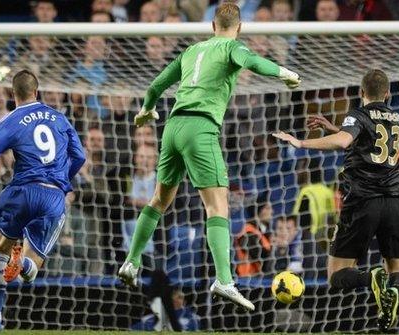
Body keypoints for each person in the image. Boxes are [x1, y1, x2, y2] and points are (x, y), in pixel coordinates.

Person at [118, 2, 300, 312]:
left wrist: (146, 111)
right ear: (238, 28)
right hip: (200, 129)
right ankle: (224, 280)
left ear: (211, 26)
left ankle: (132, 261)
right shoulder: (232, 47)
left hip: (172, 128)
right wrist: (285, 73)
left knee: (159, 200)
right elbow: (254, 61)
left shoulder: (191, 51)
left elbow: (156, 85)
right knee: (217, 206)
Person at [273, 69, 399, 331]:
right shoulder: (397, 119)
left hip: (362, 201)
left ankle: (371, 279)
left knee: (336, 275)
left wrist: (300, 143)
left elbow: (345, 141)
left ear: (361, 92)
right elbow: (367, 139)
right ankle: (387, 304)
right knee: (398, 270)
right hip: (395, 201)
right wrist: (335, 127)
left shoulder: (357, 115)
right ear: (387, 93)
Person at [0, 70, 86, 331]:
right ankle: (21, 262)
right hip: (54, 197)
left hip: (21, 193)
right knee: (31, 272)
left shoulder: (9, 121)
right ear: (37, 90)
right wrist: (61, 180)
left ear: (14, 94)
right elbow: (80, 157)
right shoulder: (59, 118)